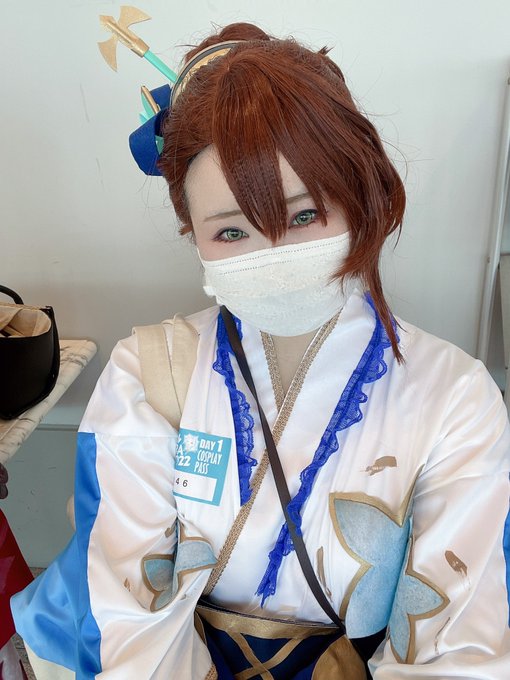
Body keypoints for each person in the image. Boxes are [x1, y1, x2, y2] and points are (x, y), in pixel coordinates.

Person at [11, 21, 510, 679]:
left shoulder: (454, 396)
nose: (272, 254)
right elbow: (129, 616)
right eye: (230, 232)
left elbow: (456, 646)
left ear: (359, 197)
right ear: (192, 232)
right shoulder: (148, 373)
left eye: (303, 216)